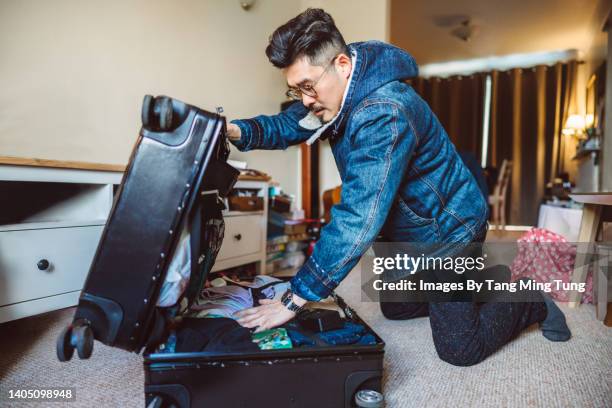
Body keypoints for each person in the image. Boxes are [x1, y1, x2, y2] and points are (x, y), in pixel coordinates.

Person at [231, 8, 570, 366]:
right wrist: (230, 131)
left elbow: (358, 217)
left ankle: (529, 298)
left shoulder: (385, 111)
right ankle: (476, 286)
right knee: (397, 308)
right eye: (296, 88)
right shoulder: (338, 89)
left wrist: (296, 297)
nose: (304, 99)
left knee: (459, 349)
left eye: (308, 86)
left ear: (342, 65)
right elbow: (290, 123)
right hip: (412, 228)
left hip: (448, 231)